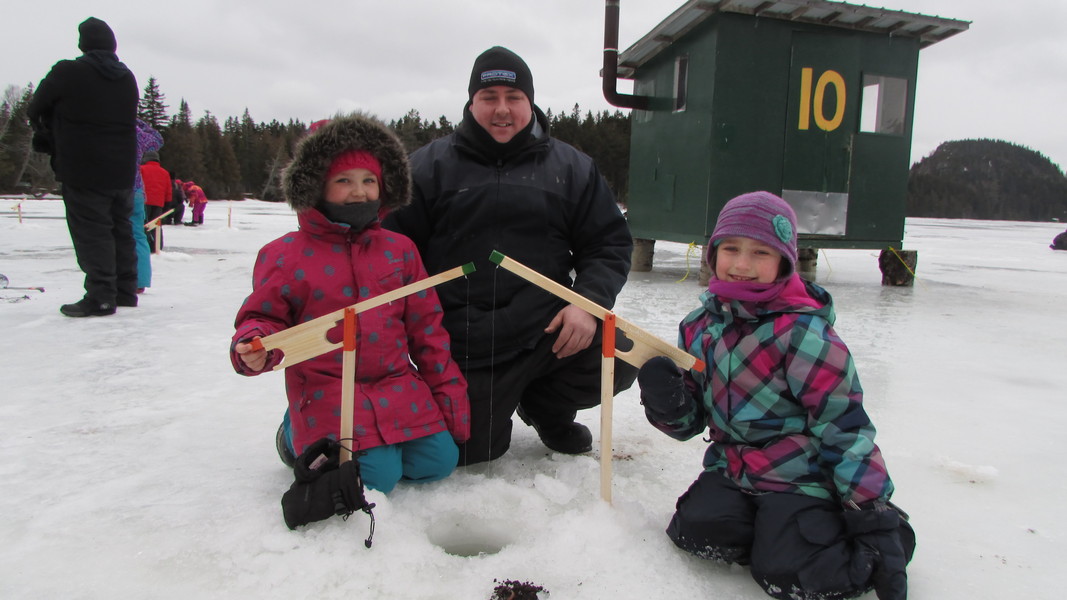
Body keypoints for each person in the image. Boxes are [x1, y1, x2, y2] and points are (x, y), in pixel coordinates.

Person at [636, 191, 915, 600]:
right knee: (694, 530)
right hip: (733, 470)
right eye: (731, 249)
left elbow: (844, 427)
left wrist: (874, 514)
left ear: (784, 261)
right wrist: (667, 402)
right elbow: (691, 423)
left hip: (801, 478)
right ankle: (775, 530)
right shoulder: (699, 326)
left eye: (761, 253)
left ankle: (873, 532)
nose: (743, 265)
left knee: (788, 574)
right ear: (714, 254)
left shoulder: (804, 334)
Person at [383, 46, 637, 466]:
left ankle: (545, 407)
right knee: (473, 452)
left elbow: (608, 243)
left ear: (529, 102)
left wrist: (586, 304)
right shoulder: (428, 167)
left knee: (620, 355)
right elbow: (392, 252)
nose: (502, 109)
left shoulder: (572, 168)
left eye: (513, 97)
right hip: (468, 339)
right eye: (490, 97)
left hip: (548, 327)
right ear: (471, 103)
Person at [230, 113, 470, 507]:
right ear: (316, 186)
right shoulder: (285, 254)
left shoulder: (400, 250)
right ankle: (293, 432)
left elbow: (427, 330)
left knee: (438, 462)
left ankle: (370, 443)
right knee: (376, 476)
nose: (359, 193)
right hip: (327, 387)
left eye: (368, 181)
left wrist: (449, 397)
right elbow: (264, 318)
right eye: (344, 181)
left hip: (395, 383)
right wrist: (254, 345)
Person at [27, 17, 139, 317]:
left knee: (92, 231)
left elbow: (36, 107)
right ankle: (125, 291)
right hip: (123, 170)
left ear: (83, 44)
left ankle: (102, 295)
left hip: (84, 168)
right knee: (120, 228)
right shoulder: (127, 77)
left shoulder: (68, 72)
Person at [133, 119, 163, 292]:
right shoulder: (136, 133)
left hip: (109, 188)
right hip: (136, 192)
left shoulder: (101, 127)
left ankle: (115, 280)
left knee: (111, 235)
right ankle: (140, 281)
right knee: (139, 234)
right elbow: (157, 138)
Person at [140, 150, 171, 252]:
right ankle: (157, 247)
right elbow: (168, 190)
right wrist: (167, 204)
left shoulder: (141, 169)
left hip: (144, 202)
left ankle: (144, 247)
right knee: (156, 225)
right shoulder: (165, 172)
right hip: (159, 203)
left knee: (143, 225)